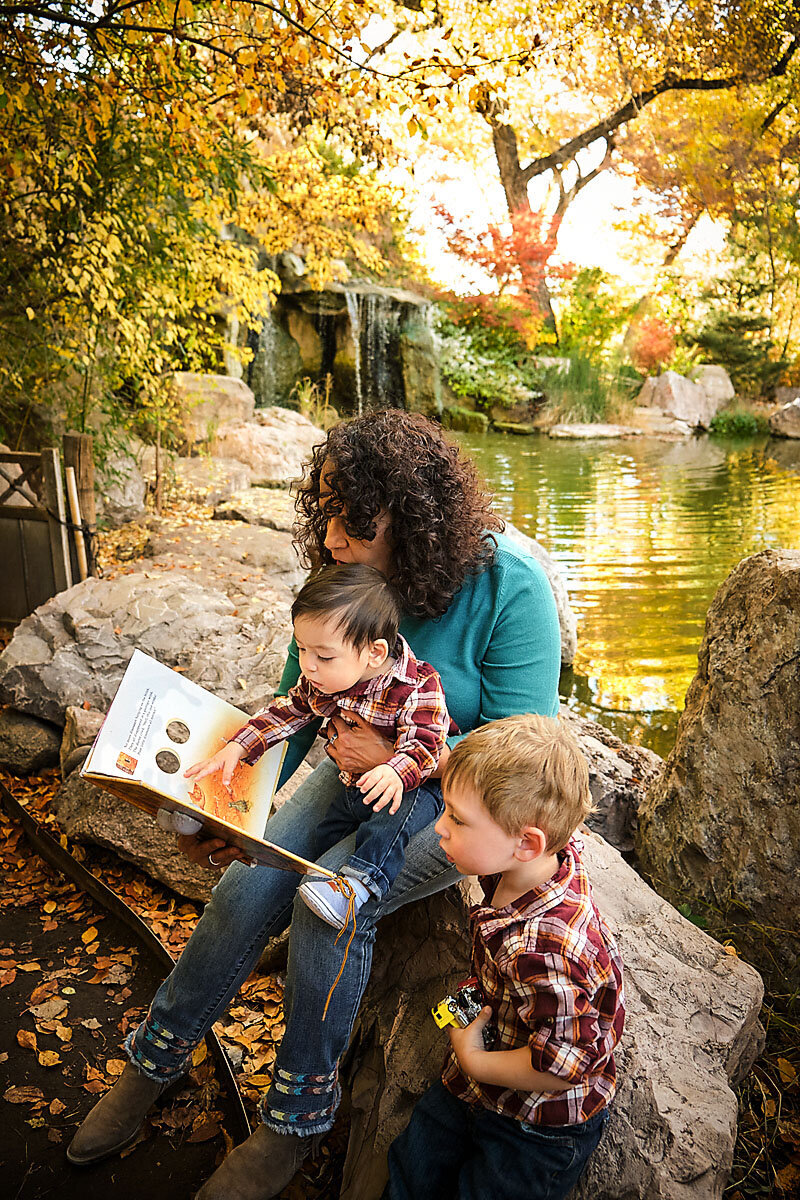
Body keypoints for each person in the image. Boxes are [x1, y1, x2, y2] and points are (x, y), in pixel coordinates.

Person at [66, 410, 562, 1200]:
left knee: (329, 901)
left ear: (414, 518)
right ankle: (154, 1060)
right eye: (325, 511)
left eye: (354, 517)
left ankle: (294, 1122)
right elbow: (296, 706)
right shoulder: (350, 585)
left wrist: (397, 754)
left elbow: (524, 759)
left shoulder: (513, 590)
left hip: (453, 801)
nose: (330, 536)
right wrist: (233, 811)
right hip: (355, 767)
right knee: (246, 885)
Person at [384, 714, 624, 1200]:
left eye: (457, 818)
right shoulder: (527, 864)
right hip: (478, 1081)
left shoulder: (546, 948)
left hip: (534, 1127)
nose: (439, 828)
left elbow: (564, 1064)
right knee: (411, 1169)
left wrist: (474, 1061)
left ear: (527, 843)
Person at [186, 563, 456, 928]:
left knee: (390, 824)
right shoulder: (326, 679)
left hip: (410, 789)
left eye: (324, 656)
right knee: (325, 833)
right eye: (302, 649)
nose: (309, 666)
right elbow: (287, 713)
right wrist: (237, 746)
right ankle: (312, 881)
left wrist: (394, 770)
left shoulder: (417, 686)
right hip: (353, 784)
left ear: (375, 653)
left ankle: (360, 884)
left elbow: (427, 745)